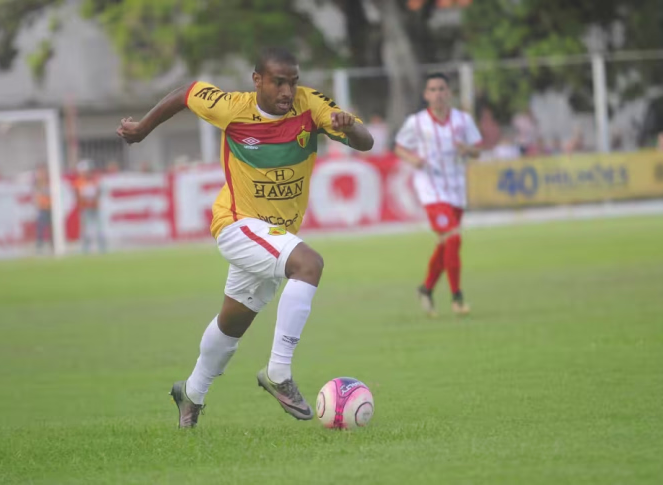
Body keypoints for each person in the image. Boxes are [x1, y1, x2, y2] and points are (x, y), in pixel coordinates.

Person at [117, 47, 373, 428]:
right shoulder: (232, 108)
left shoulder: (310, 106)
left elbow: (365, 142)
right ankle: (278, 373)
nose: (287, 91)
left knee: (232, 324)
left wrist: (349, 126)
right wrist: (141, 129)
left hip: (275, 235)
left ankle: (191, 393)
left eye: (293, 82)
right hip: (237, 225)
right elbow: (187, 93)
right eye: (278, 82)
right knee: (309, 265)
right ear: (257, 81)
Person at [394, 73, 482, 317]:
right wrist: (413, 159)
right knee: (453, 238)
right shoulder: (417, 122)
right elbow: (399, 147)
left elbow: (478, 150)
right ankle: (457, 298)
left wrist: (467, 149)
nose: (438, 94)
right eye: (432, 89)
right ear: (426, 95)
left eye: (442, 89)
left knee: (446, 243)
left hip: (456, 188)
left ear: (449, 93)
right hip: (430, 188)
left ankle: (426, 289)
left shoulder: (463, 120)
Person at [73, 160, 106, 254]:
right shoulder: (78, 182)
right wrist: (85, 201)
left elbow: (99, 191)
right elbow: (77, 195)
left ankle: (102, 248)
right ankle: (85, 248)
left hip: (94, 207)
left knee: (99, 228)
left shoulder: (94, 180)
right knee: (85, 229)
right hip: (84, 208)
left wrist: (93, 199)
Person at [33, 164, 52, 253]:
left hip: (50, 207)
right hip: (42, 208)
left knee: (51, 227)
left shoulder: (49, 182)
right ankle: (39, 245)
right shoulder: (38, 183)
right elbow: (37, 194)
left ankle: (52, 244)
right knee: (40, 227)